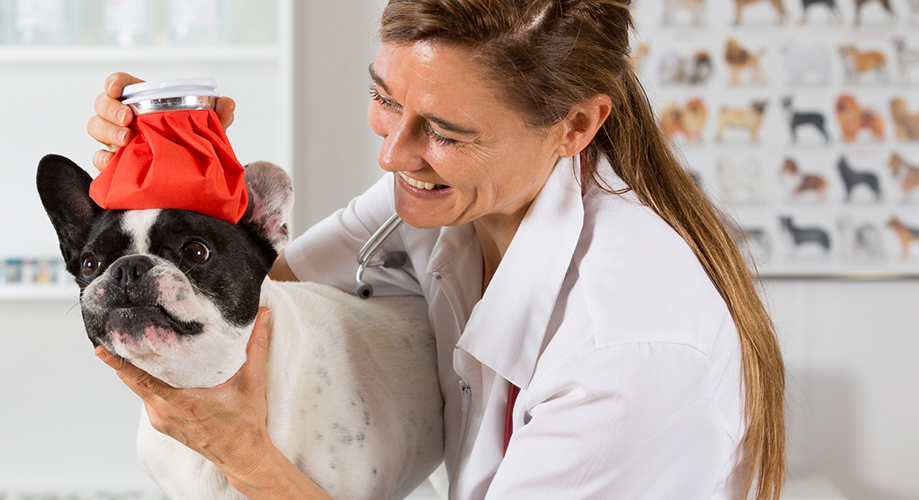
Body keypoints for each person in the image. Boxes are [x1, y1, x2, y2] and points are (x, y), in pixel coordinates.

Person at [84, 0, 787, 498]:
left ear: (575, 124)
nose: (392, 155)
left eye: (446, 132)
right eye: (384, 97)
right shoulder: (432, 201)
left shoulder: (628, 353)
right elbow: (252, 288)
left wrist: (245, 457)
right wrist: (169, 174)